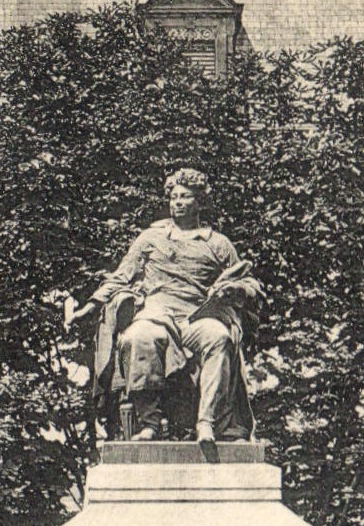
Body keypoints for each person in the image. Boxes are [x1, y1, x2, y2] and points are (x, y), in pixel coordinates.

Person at [71, 168, 262, 443]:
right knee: (138, 337)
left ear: (200, 202)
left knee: (219, 337)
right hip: (157, 312)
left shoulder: (219, 244)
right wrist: (91, 304)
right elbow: (121, 275)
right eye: (174, 198)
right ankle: (149, 422)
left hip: (197, 316)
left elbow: (250, 284)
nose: (178, 203)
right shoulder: (151, 239)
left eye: (185, 197)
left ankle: (207, 422)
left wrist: (236, 288)